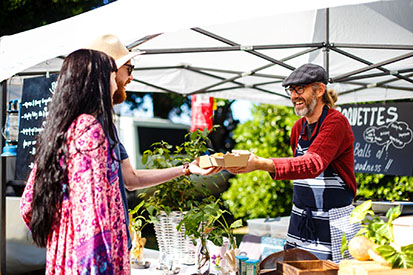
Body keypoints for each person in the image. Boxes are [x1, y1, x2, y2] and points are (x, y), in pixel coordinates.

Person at [85, 34, 222, 250]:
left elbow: (130, 178)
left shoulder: (105, 123)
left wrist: (187, 169)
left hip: (113, 249)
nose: (131, 78)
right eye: (128, 69)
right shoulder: (88, 127)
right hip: (98, 252)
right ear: (109, 72)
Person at [226, 64, 358, 263]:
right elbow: (299, 170)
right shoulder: (298, 128)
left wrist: (262, 164)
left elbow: (312, 164)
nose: (294, 96)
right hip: (301, 222)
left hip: (332, 224)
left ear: (319, 90)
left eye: (300, 89)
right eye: (291, 90)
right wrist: (251, 162)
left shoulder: (336, 123)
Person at [20, 49, 130, 274]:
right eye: (111, 76)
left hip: (64, 253)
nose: (115, 84)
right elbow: (92, 216)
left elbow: (28, 204)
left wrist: (61, 227)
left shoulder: (60, 130)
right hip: (86, 263)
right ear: (95, 82)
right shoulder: (88, 129)